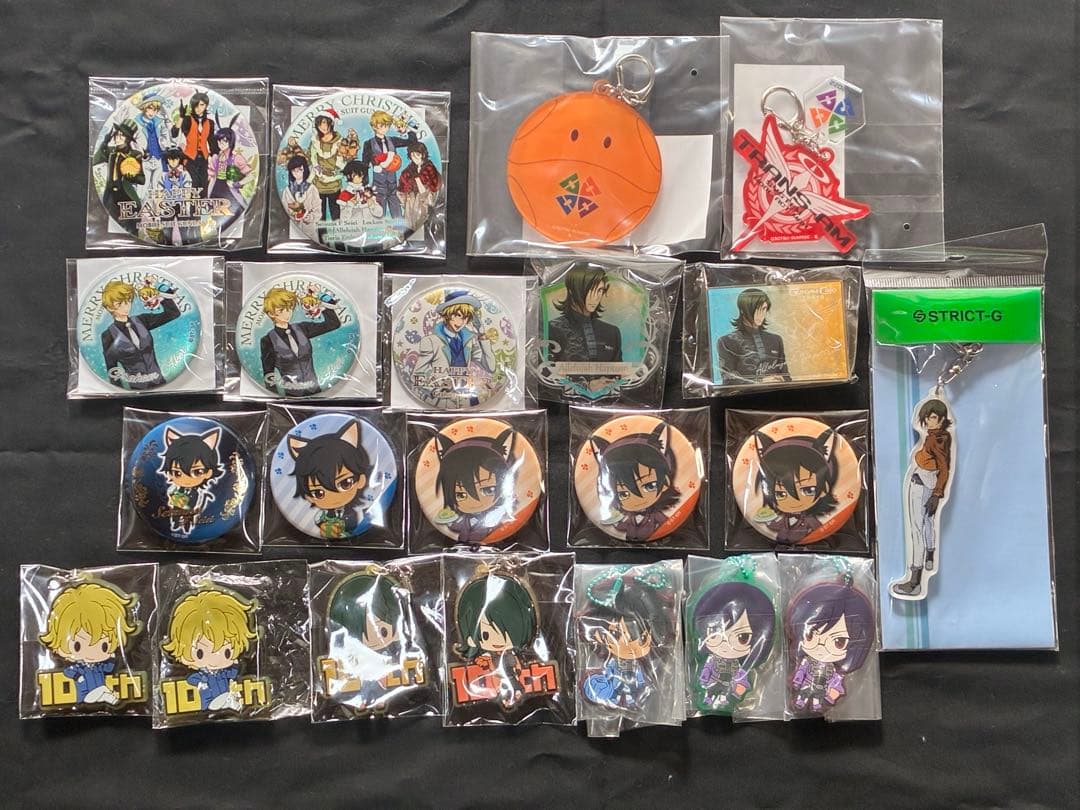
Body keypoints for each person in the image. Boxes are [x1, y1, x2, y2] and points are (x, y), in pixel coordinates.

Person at [890, 399, 954, 599]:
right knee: (927, 523)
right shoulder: (938, 436)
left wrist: (936, 493)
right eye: (927, 417)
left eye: (933, 417)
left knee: (917, 529)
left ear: (941, 419)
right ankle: (929, 557)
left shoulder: (937, 439)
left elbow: (944, 468)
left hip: (922, 485)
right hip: (927, 483)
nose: (929, 421)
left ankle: (915, 581)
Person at [38, 582, 139, 706]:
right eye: (77, 646)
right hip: (85, 696)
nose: (92, 653)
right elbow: (68, 671)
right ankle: (111, 698)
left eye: (104, 646)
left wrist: (113, 658)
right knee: (102, 690)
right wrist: (78, 677)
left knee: (103, 690)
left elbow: (109, 668)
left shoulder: (99, 666)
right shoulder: (79, 668)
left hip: (99, 696)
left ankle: (110, 698)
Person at [161, 589, 258, 712]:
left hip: (227, 702)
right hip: (209, 705)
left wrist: (235, 665)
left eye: (227, 652)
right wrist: (203, 680)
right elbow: (191, 680)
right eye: (200, 653)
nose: (215, 659)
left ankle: (230, 704)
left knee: (231, 701)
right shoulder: (201, 676)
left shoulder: (224, 673)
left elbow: (233, 673)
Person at [453, 573, 538, 708]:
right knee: (503, 682)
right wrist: (482, 661)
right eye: (485, 635)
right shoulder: (489, 655)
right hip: (496, 680)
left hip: (509, 673)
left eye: (508, 632)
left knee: (510, 680)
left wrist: (517, 668)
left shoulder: (512, 653)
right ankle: (508, 694)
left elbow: (516, 663)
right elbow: (486, 661)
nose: (496, 641)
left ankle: (514, 692)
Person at [590, 423, 680, 542]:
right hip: (627, 540)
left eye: (649, 486)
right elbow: (622, 526)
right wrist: (614, 522)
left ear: (665, 483)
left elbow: (667, 523)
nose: (637, 499)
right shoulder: (629, 516)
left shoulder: (654, 514)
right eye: (623, 494)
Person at [288, 420, 373, 539]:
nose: (333, 497)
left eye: (345, 483)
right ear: (308, 496)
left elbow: (361, 520)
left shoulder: (358, 511)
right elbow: (318, 520)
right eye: (318, 492)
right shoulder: (322, 515)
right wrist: (324, 527)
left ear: (361, 480)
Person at [754, 428, 839, 546]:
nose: (793, 501)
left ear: (825, 488)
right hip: (778, 545)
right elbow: (775, 526)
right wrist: (767, 521)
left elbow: (819, 529)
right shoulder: (784, 519)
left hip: (811, 545)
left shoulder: (809, 520)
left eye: (807, 490)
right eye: (780, 494)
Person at [433, 427, 517, 544]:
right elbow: (455, 526)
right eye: (461, 495)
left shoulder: (500, 516)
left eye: (488, 490)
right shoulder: (463, 520)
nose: (474, 502)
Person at [258, 286, 341, 397]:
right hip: (291, 395)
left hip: (316, 391)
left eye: (289, 308)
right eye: (281, 310)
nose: (287, 313)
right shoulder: (267, 340)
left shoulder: (302, 328)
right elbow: (269, 374)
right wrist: (276, 398)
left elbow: (333, 324)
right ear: (271, 313)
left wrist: (320, 297)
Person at [99, 278, 180, 390]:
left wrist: (158, 290)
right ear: (109, 307)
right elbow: (112, 369)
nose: (126, 306)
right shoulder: (108, 335)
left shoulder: (142, 320)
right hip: (136, 389)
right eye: (119, 303)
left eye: (128, 301)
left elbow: (173, 313)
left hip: (161, 383)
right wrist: (119, 393)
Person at [547, 265, 622, 364]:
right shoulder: (552, 329)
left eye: (600, 290)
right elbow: (546, 369)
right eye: (590, 289)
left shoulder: (612, 332)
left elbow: (620, 371)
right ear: (572, 290)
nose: (595, 297)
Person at [716, 288, 790, 385]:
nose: (760, 314)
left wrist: (782, 380)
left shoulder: (776, 340)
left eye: (764, 309)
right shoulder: (726, 341)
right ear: (742, 310)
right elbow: (728, 380)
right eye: (756, 309)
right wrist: (759, 382)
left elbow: (787, 377)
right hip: (745, 394)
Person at [360, 111, 415, 219]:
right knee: (379, 211)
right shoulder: (368, 143)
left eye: (386, 125)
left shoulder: (392, 140)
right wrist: (364, 184)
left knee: (396, 210)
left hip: (392, 182)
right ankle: (379, 227)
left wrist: (406, 131)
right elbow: (364, 165)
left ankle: (399, 227)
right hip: (378, 184)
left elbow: (411, 142)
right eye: (381, 125)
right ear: (374, 126)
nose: (384, 128)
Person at [94, 120, 145, 224]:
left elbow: (142, 179)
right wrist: (105, 143)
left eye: (122, 135)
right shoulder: (110, 151)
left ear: (128, 139)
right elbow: (96, 159)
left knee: (129, 225)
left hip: (125, 195)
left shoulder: (135, 154)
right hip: (110, 195)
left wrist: (132, 177)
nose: (118, 137)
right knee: (108, 223)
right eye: (117, 134)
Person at [171, 91, 214, 196]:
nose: (199, 108)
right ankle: (191, 205)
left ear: (206, 106)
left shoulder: (210, 123)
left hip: (204, 158)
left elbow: (211, 141)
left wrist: (215, 155)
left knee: (203, 183)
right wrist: (181, 117)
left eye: (202, 105)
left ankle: (202, 205)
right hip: (190, 157)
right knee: (193, 182)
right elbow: (174, 133)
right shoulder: (187, 120)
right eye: (196, 105)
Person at [397, 140, 441, 232]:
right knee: (409, 225)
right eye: (412, 155)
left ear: (423, 155)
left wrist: (418, 180)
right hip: (411, 202)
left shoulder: (429, 168)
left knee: (423, 224)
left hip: (425, 202)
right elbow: (401, 188)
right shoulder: (408, 170)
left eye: (417, 154)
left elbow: (434, 187)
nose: (414, 157)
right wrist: (406, 199)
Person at [280, 154, 321, 226]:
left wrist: (308, 217)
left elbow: (318, 212)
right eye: (293, 170)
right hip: (292, 228)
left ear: (304, 169)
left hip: (309, 228)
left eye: (299, 169)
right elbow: (283, 211)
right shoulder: (287, 191)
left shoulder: (312, 189)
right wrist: (294, 215)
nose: (296, 173)